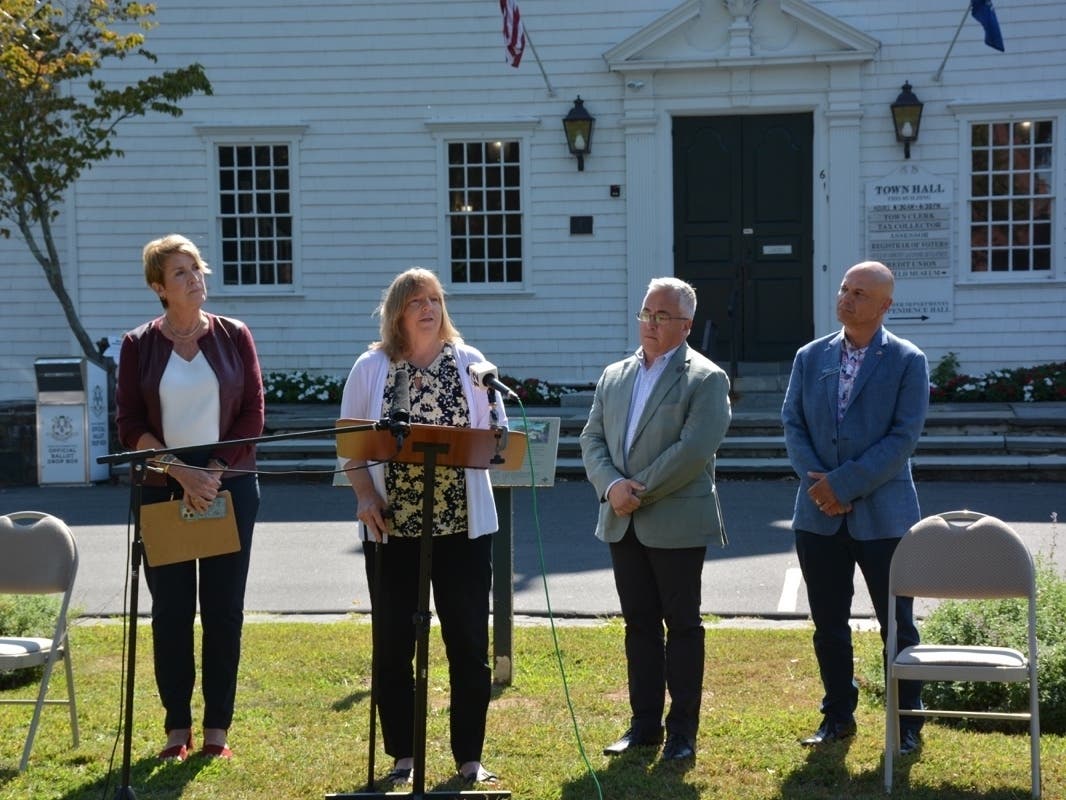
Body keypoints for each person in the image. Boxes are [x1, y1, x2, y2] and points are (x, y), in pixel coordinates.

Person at [339, 267, 503, 787]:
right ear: (397, 314)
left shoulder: (472, 365)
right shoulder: (371, 367)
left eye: (434, 299)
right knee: (393, 647)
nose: (429, 308)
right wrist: (366, 495)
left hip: (463, 530)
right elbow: (350, 446)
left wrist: (500, 432)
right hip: (393, 529)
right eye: (416, 302)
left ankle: (469, 759)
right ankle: (403, 756)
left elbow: (496, 437)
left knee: (468, 645)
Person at [116, 234, 264, 762]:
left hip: (229, 485)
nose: (194, 278)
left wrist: (212, 473)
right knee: (172, 613)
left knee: (223, 612)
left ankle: (217, 732)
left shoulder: (235, 335)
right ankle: (177, 729)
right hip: (161, 487)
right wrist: (180, 472)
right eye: (179, 273)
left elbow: (252, 415)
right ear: (159, 286)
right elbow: (128, 423)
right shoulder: (139, 344)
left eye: (196, 268)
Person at [580, 276, 731, 763]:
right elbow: (592, 440)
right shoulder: (615, 374)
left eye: (662, 315)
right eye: (646, 312)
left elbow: (692, 451)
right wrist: (611, 487)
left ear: (686, 325)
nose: (650, 322)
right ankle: (644, 725)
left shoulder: (705, 379)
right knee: (639, 626)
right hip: (622, 518)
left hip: (674, 521)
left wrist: (634, 491)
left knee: (682, 627)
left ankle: (682, 733)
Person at [781, 260, 928, 756]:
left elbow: (902, 438)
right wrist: (819, 486)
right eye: (845, 288)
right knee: (828, 622)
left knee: (897, 624)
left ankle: (908, 722)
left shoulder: (908, 360)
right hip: (817, 514)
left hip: (884, 515)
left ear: (885, 305)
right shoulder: (810, 356)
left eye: (861, 293)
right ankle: (838, 715)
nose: (847, 298)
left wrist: (843, 485)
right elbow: (793, 424)